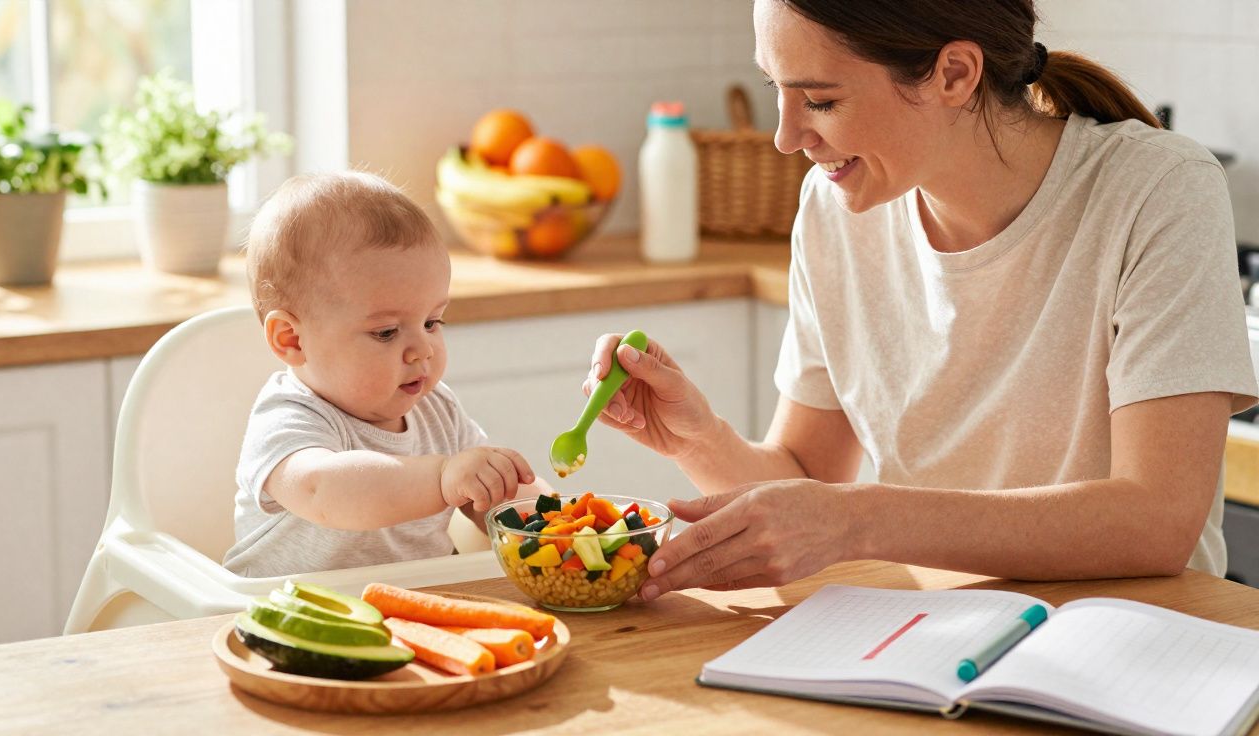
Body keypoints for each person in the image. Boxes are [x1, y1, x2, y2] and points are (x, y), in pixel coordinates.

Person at [586, 0, 1258, 600]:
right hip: (933, 638)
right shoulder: (834, 210)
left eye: (820, 100)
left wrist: (859, 520)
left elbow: (1156, 519)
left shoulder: (1157, 190)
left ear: (954, 74)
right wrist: (697, 438)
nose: (786, 138)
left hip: (1140, 644)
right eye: (778, 91)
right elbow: (807, 480)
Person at [223, 172, 546, 577]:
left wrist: (554, 521)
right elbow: (325, 492)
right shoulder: (287, 418)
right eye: (387, 332)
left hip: (422, 602)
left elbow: (492, 495)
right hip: (291, 606)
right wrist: (442, 478)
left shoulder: (437, 409)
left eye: (431, 322)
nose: (423, 349)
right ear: (292, 340)